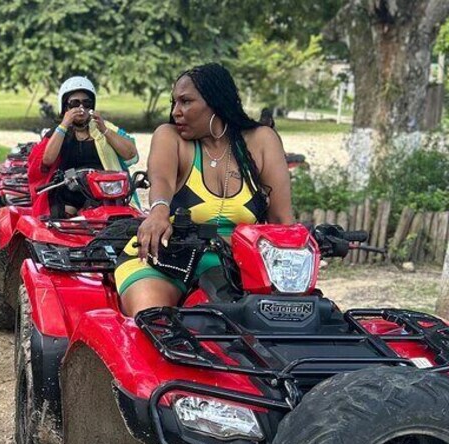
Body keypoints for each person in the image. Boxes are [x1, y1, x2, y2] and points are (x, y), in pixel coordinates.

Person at [116, 63, 294, 316]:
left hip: (236, 266)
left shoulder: (261, 140)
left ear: (215, 102)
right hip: (166, 258)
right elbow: (162, 181)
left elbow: (281, 220)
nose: (176, 111)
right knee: (154, 323)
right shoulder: (170, 136)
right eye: (174, 102)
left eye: (186, 101)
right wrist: (158, 213)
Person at [27, 76, 139, 214]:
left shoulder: (105, 128)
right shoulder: (58, 132)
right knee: (65, 214)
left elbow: (130, 154)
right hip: (69, 193)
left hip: (104, 193)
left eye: (87, 103)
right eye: (75, 103)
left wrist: (104, 130)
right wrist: (64, 124)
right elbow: (47, 160)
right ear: (65, 106)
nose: (81, 108)